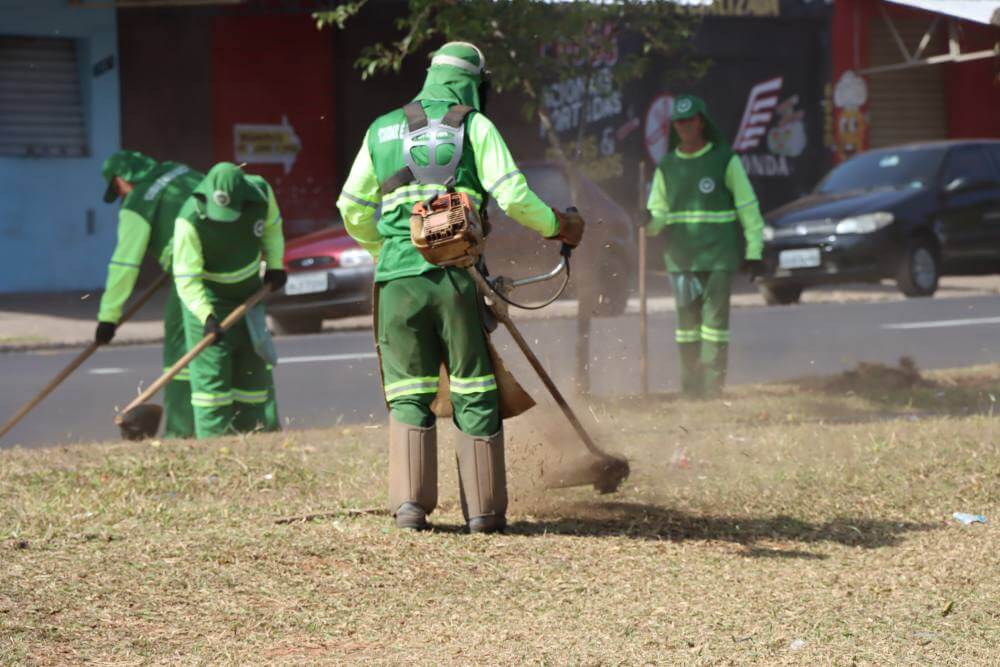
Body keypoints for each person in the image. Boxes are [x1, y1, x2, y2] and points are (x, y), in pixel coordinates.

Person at [337, 42, 583, 533]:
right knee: (474, 387)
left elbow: (350, 207)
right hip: (454, 277)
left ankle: (410, 509)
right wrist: (557, 226)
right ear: (475, 82)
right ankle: (485, 514)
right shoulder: (475, 124)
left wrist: (386, 252)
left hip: (397, 283)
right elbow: (513, 194)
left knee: (409, 390)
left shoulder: (381, 128)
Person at [646, 94, 765, 398]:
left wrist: (755, 252)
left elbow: (748, 208)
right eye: (679, 121)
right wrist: (647, 220)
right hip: (681, 258)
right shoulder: (668, 166)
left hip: (718, 256)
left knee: (714, 325)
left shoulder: (725, 159)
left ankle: (712, 390)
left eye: (689, 120)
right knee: (686, 327)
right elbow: (658, 216)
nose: (684, 126)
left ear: (701, 121)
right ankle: (690, 389)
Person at [172, 162, 286, 438]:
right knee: (212, 385)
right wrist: (206, 317)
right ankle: (214, 448)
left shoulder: (260, 193)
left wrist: (275, 264)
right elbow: (186, 277)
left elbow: (271, 229)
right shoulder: (189, 219)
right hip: (210, 301)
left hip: (249, 297)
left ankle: (254, 440)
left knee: (252, 374)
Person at [97, 150, 202, 438]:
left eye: (117, 189)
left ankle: (183, 429)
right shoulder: (179, 170)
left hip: (192, 274)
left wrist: (108, 318)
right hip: (234, 265)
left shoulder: (137, 202)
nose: (120, 196)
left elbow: (125, 263)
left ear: (121, 180)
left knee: (180, 347)